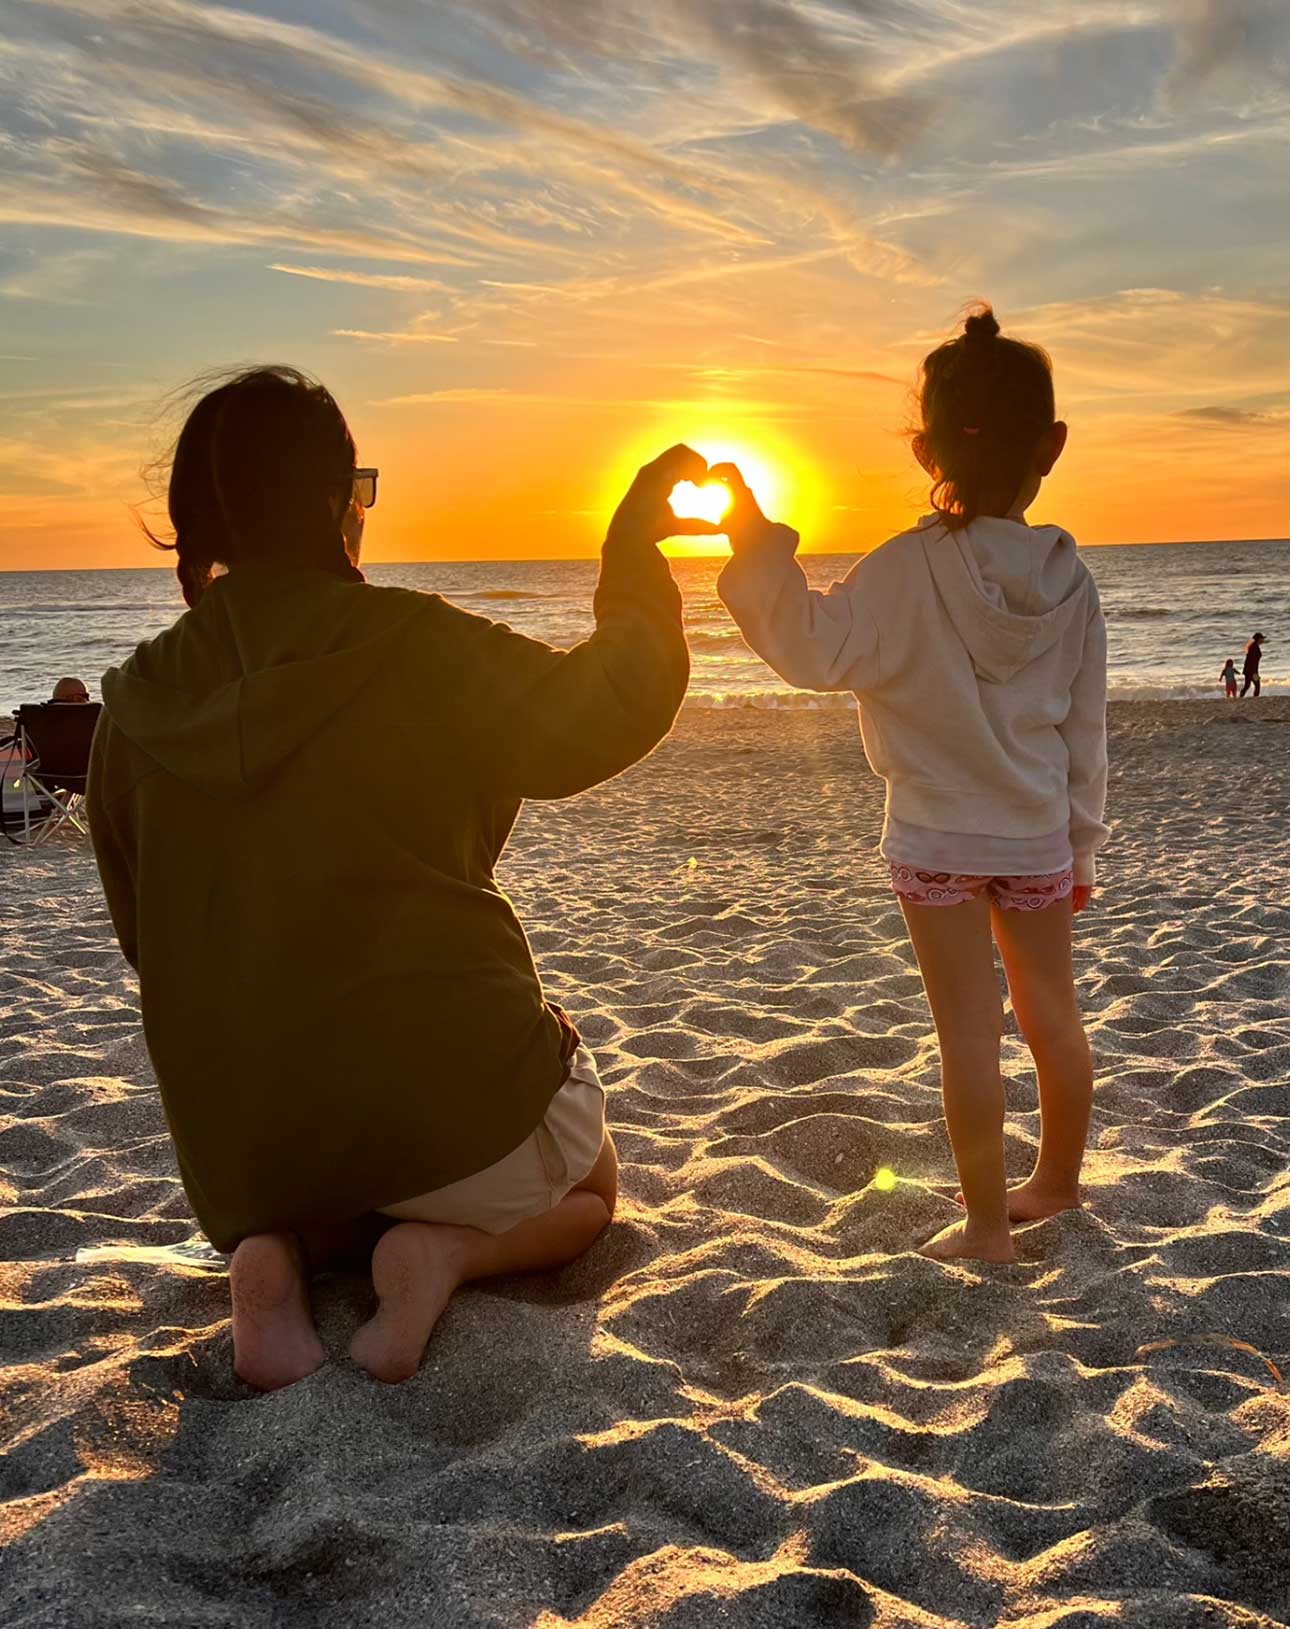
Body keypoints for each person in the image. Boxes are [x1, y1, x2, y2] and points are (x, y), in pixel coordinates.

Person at [87, 365, 721, 1389]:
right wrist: (630, 552)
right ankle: (448, 1254)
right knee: (594, 1185)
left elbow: (145, 937)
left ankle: (281, 1261)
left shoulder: (136, 709)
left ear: (198, 525)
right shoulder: (416, 646)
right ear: (339, 505)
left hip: (248, 1163)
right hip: (449, 1113)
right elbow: (605, 705)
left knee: (335, 1157)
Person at [715, 305, 1108, 1265]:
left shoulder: (900, 571)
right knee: (1052, 1013)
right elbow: (1085, 736)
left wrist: (757, 540)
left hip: (936, 839)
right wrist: (1081, 845)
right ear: (1050, 446)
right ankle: (1056, 1181)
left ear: (925, 446)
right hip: (1036, 839)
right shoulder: (1072, 581)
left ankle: (984, 1227)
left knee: (969, 1035)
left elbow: (810, 646)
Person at [1241, 632, 1265, 697]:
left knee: (1247, 685)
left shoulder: (1254, 646)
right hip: (1252, 670)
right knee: (1257, 685)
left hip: (1249, 670)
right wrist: (1255, 672)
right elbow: (1252, 660)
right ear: (1258, 639)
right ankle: (1255, 698)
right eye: (1262, 638)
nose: (1263, 640)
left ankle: (1241, 697)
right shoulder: (1254, 647)